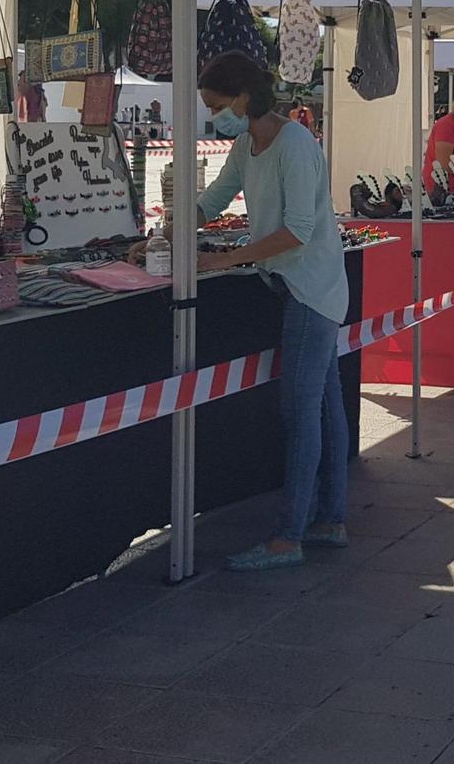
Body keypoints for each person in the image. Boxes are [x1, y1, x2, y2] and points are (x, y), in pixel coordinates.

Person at [182, 52, 352, 570]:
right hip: (296, 285)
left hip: (310, 288)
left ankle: (288, 536)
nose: (214, 114)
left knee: (302, 414)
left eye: (216, 104)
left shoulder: (295, 145)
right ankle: (329, 520)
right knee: (324, 408)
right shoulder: (244, 144)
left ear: (241, 97)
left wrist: (222, 260)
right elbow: (210, 202)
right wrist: (171, 230)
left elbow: (297, 230)